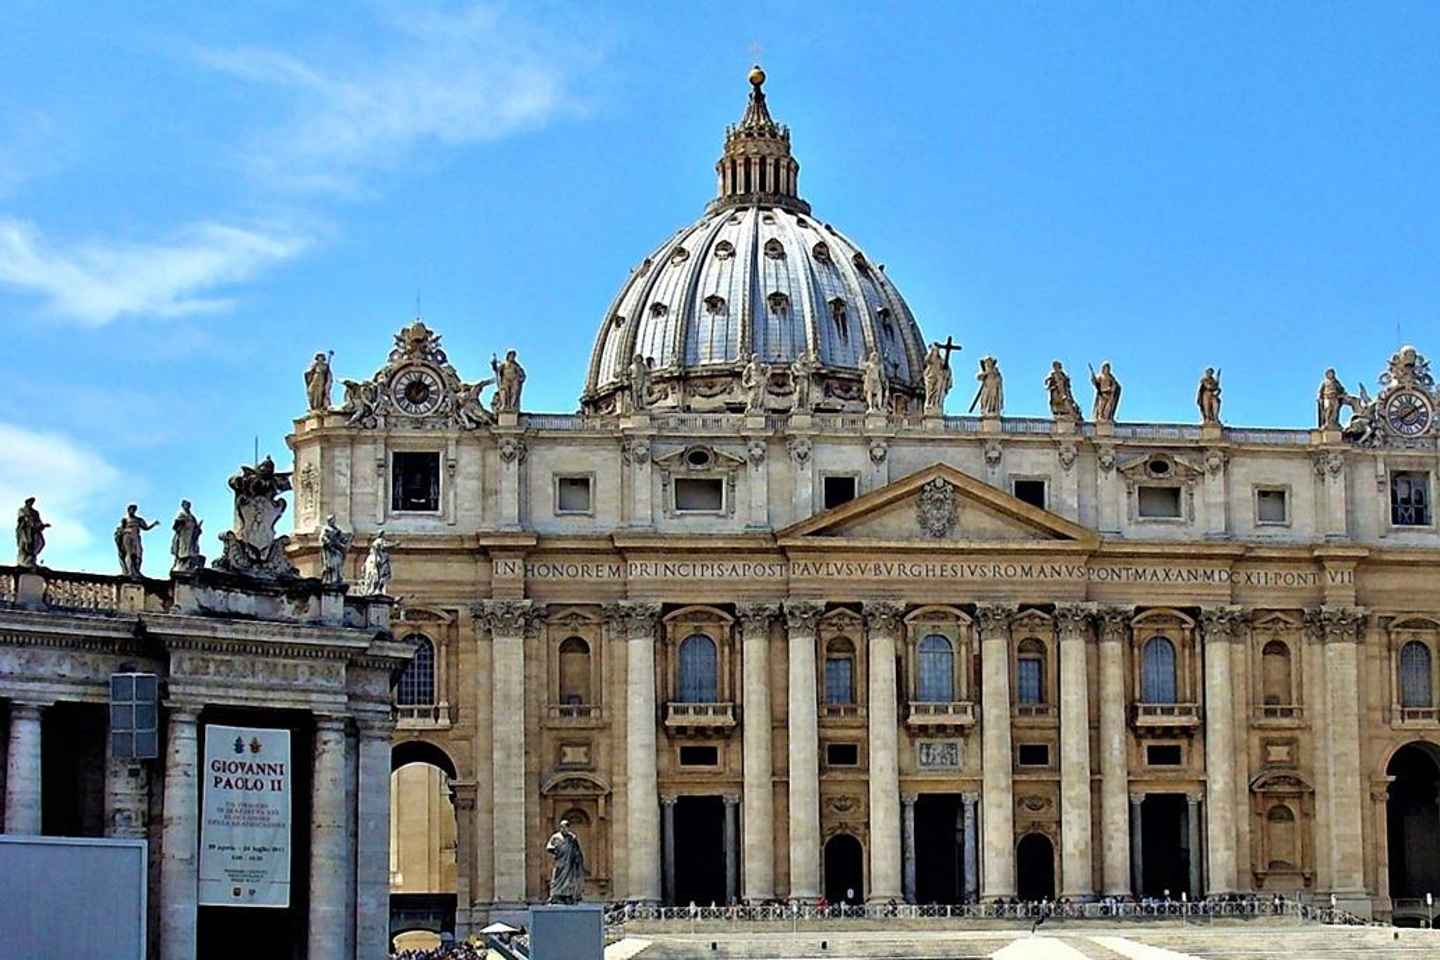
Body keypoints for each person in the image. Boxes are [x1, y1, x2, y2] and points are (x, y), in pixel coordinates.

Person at [545, 818, 585, 903]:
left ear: (568, 828)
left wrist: (577, 858)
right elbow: (548, 847)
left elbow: (577, 849)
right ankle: (555, 895)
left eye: (565, 827)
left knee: (569, 880)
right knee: (556, 878)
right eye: (561, 827)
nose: (563, 829)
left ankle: (567, 896)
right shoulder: (555, 837)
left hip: (569, 863)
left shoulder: (572, 837)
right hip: (560, 861)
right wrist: (554, 849)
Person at [115, 504, 159, 578]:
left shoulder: (138, 520)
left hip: (136, 538)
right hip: (127, 537)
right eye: (131, 509)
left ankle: (136, 571)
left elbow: (146, 528)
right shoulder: (125, 520)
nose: (132, 511)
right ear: (128, 510)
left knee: (138, 554)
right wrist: (125, 531)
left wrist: (153, 524)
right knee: (129, 553)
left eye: (134, 510)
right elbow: (121, 530)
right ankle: (129, 571)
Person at [170, 500, 204, 573]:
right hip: (184, 535)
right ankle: (183, 562)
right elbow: (175, 526)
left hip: (191, 536)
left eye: (189, 505)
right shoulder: (181, 515)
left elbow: (196, 526)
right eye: (186, 505)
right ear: (183, 506)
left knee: (191, 549)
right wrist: (180, 524)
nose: (188, 506)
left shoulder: (192, 517)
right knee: (183, 549)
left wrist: (198, 528)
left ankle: (189, 562)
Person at [16, 497, 49, 568]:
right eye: (30, 502)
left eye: (32, 502)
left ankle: (31, 561)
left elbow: (38, 522)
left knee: (39, 544)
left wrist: (42, 525)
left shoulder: (35, 512)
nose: (31, 503)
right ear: (27, 502)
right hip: (25, 531)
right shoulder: (22, 510)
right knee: (26, 544)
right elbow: (21, 518)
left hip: (34, 531)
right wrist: (26, 520)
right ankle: (24, 561)